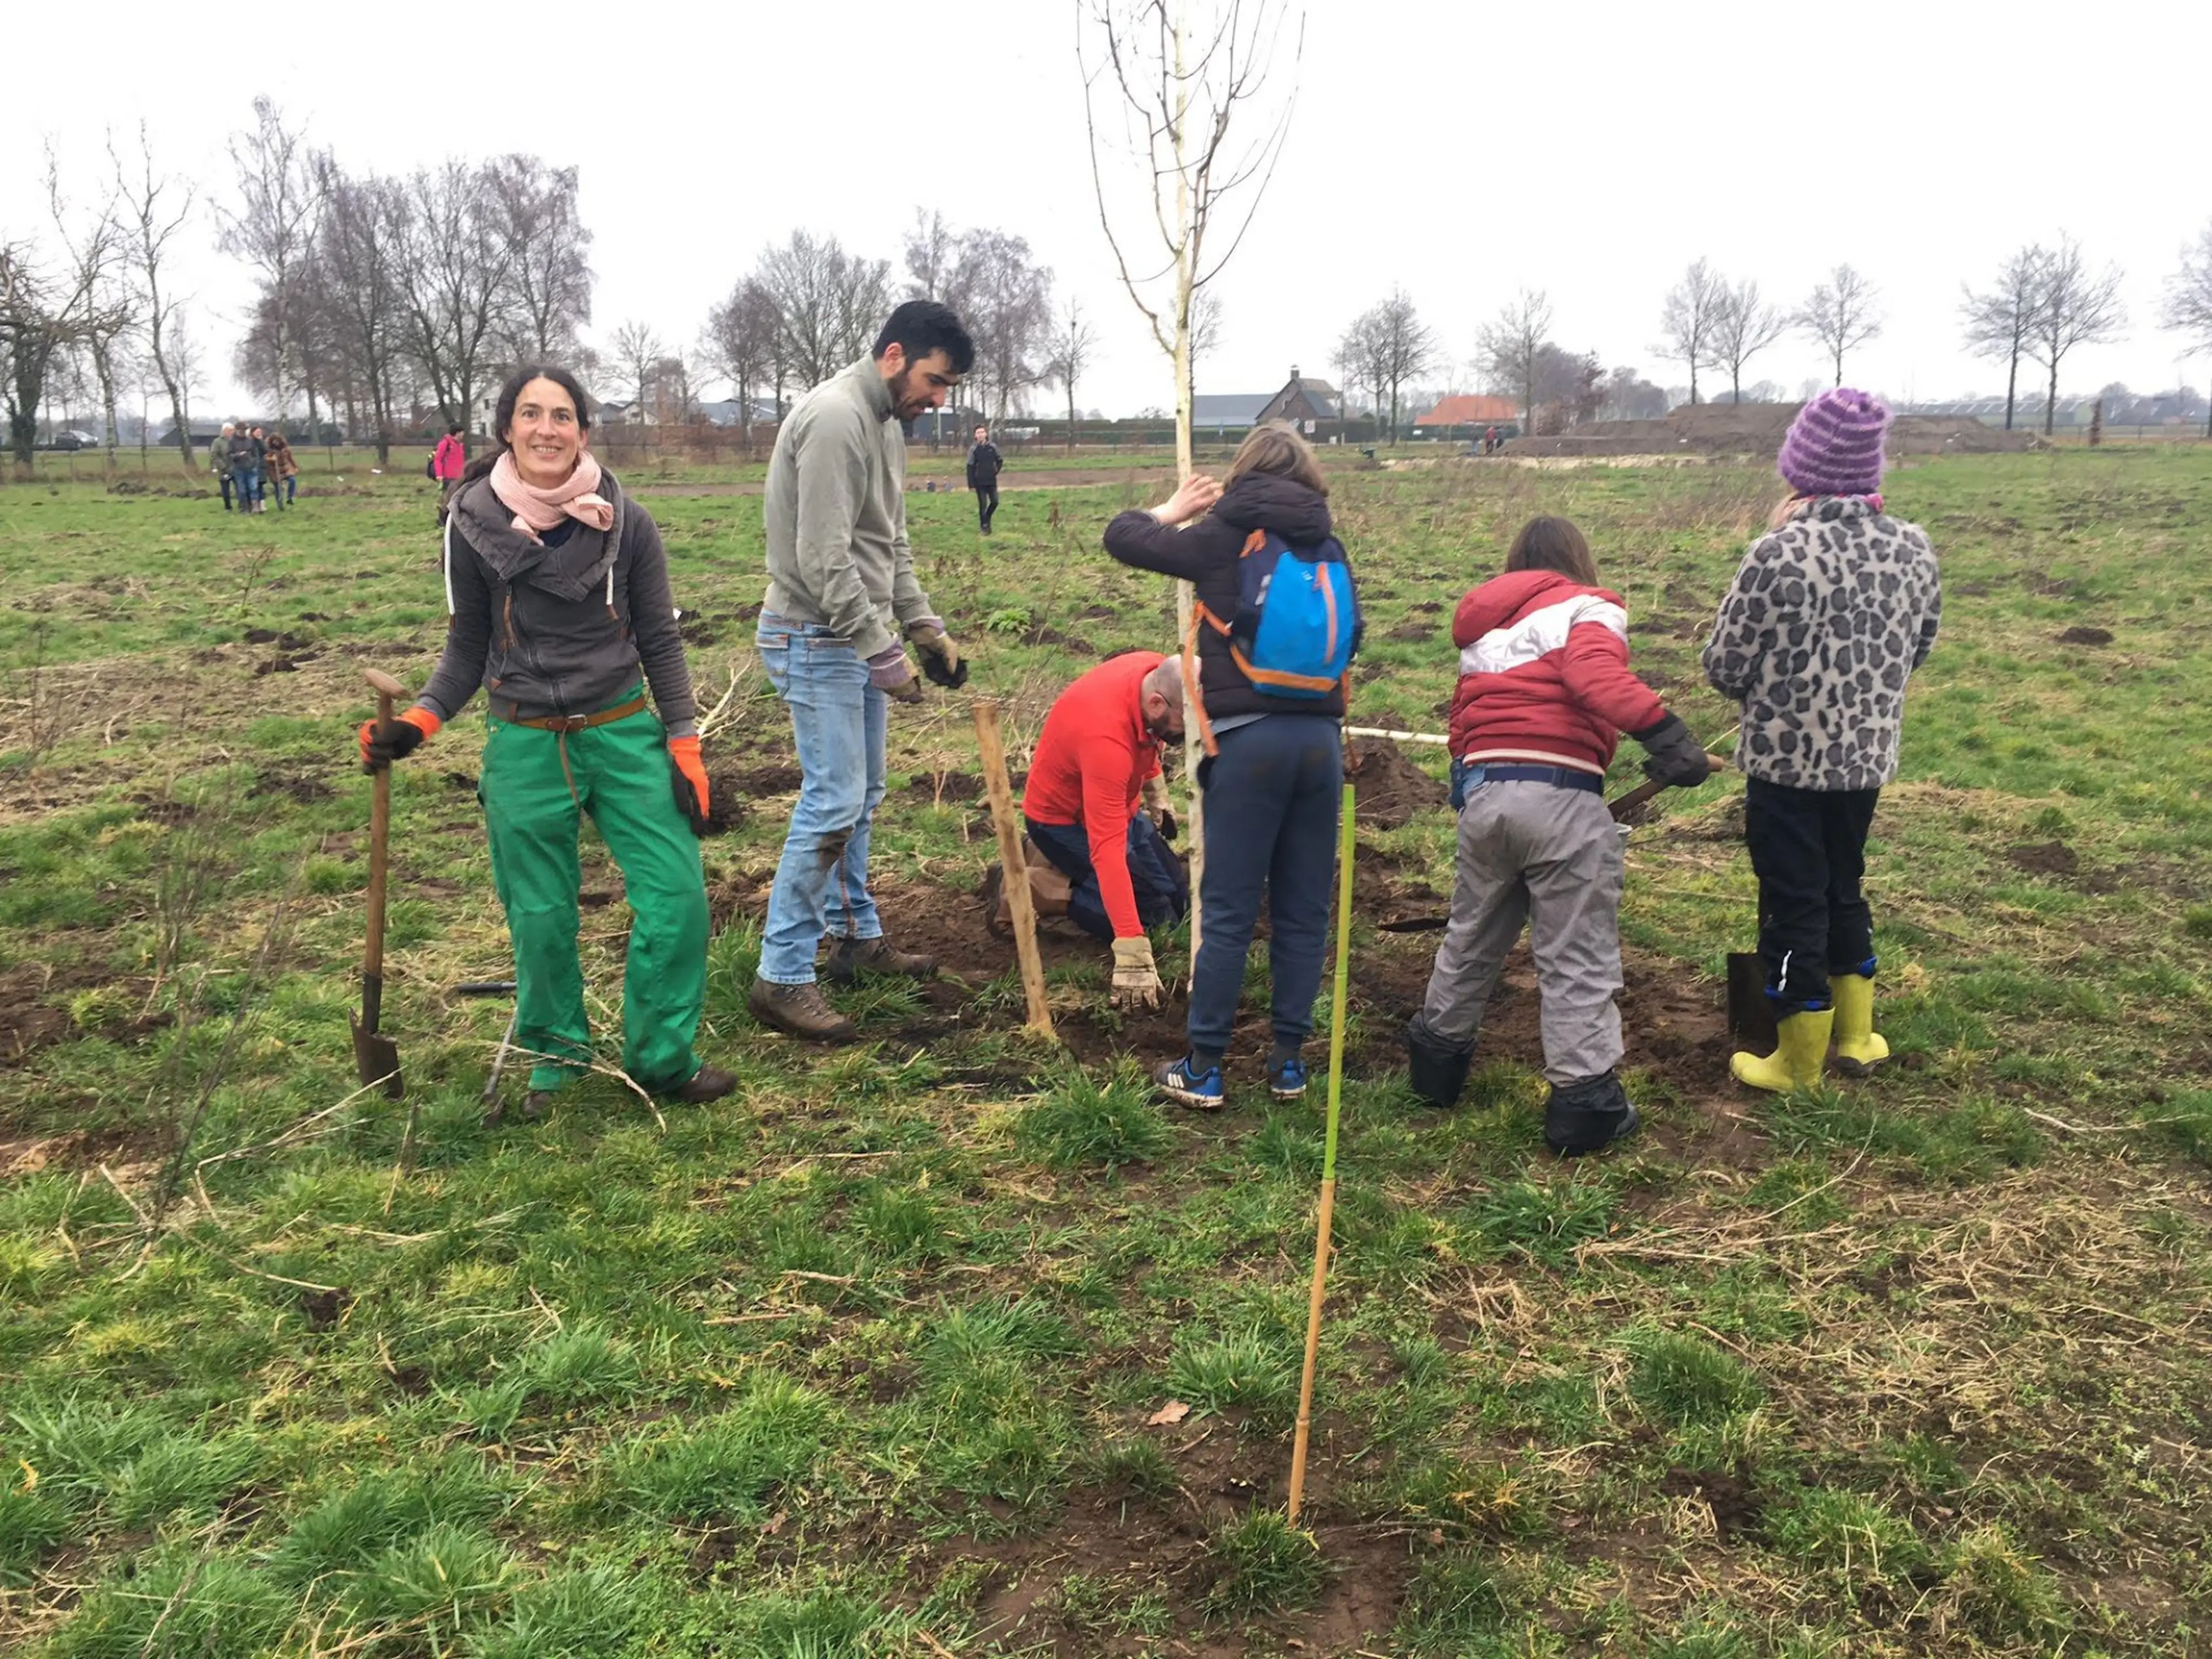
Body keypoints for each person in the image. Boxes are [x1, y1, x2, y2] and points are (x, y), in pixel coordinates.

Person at [355, 365, 733, 1120]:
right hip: (525, 737)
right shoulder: (471, 526)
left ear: (584, 433)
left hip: (623, 731)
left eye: (562, 416)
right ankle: (556, 1057)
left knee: (678, 896)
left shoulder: (630, 523)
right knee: (540, 913)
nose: (547, 429)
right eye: (531, 414)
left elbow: (660, 638)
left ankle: (661, 1057)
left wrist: (685, 744)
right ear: (507, 430)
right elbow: (466, 649)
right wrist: (421, 723)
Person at [1404, 517, 1717, 1154]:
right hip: (1562, 799)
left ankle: (1436, 1072)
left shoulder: (1487, 627)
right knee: (1575, 955)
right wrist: (1669, 738)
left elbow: (1464, 723)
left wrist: (1471, 796)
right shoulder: (1589, 607)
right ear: (1579, 560)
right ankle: (1584, 1106)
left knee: (1471, 936)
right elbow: (1596, 680)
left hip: (1486, 798)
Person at [1102, 422, 1353, 1109]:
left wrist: (1170, 510)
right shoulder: (1327, 544)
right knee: (1303, 913)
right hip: (1321, 746)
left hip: (1248, 745)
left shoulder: (1226, 535)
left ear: (1245, 474)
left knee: (1230, 910)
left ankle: (1205, 1068)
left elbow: (1122, 537)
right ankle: (1289, 1066)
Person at [748, 300, 975, 1042]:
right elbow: (823, 558)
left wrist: (924, 627)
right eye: (935, 382)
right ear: (894, 356)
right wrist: (882, 653)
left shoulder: (883, 425)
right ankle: (781, 976)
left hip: (847, 636)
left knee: (862, 793)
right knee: (834, 800)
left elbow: (888, 543)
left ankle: (855, 939)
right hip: (813, 636)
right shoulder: (838, 418)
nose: (938, 400)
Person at [1704, 389, 1941, 1092]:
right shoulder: (1914, 548)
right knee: (1845, 886)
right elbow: (1918, 649)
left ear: (1798, 473)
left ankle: (1797, 1061)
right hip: (1866, 763)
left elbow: (1725, 665)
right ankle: (1859, 1036)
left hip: (1784, 767)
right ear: (1872, 473)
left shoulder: (1778, 553)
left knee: (1792, 898)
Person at [1021, 652, 1191, 1004]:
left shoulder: (1155, 672)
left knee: (1180, 900)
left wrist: (1155, 791)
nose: (1189, 731)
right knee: (1156, 919)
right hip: (1062, 821)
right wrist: (1131, 948)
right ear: (1158, 702)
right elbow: (1108, 850)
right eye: (1185, 720)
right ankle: (1044, 890)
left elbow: (1148, 732)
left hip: (1116, 805)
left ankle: (1054, 865)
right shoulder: (1106, 742)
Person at [965, 422, 1003, 534]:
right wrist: (971, 484)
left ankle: (986, 518)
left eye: (983, 432)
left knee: (995, 502)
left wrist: (995, 471)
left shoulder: (993, 447)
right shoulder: (973, 450)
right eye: (978, 433)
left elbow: (1000, 460)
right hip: (979, 482)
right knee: (983, 505)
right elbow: (970, 467)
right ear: (975, 436)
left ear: (986, 434)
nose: (981, 434)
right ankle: (985, 527)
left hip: (991, 481)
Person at [433, 423, 468, 521]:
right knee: (448, 500)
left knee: (457, 499)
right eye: (462, 433)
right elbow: (438, 459)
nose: (463, 435)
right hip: (448, 477)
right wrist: (439, 475)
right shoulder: (445, 444)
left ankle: (453, 519)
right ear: (457, 433)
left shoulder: (460, 445)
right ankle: (442, 520)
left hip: (459, 477)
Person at [228, 425, 263, 515]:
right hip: (239, 468)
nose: (243, 432)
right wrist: (238, 455)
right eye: (242, 430)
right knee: (242, 490)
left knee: (253, 488)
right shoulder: (232, 442)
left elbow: (256, 454)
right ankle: (244, 509)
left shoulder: (250, 441)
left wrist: (255, 463)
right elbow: (229, 455)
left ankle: (255, 508)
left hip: (252, 468)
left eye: (245, 430)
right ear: (237, 430)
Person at [264, 430, 298, 509]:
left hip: (285, 469)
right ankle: (280, 504)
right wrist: (271, 459)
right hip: (274, 471)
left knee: (292, 480)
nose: (276, 443)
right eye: (274, 441)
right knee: (278, 488)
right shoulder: (269, 450)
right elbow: (265, 458)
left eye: (278, 441)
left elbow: (291, 459)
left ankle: (290, 498)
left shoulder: (286, 449)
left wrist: (296, 467)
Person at [211, 423, 236, 511]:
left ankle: (244, 505)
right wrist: (223, 467)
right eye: (230, 430)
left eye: (233, 430)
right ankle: (228, 507)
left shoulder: (235, 441)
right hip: (224, 470)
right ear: (224, 431)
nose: (232, 432)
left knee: (241, 488)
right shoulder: (218, 442)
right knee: (226, 489)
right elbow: (215, 455)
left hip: (236, 468)